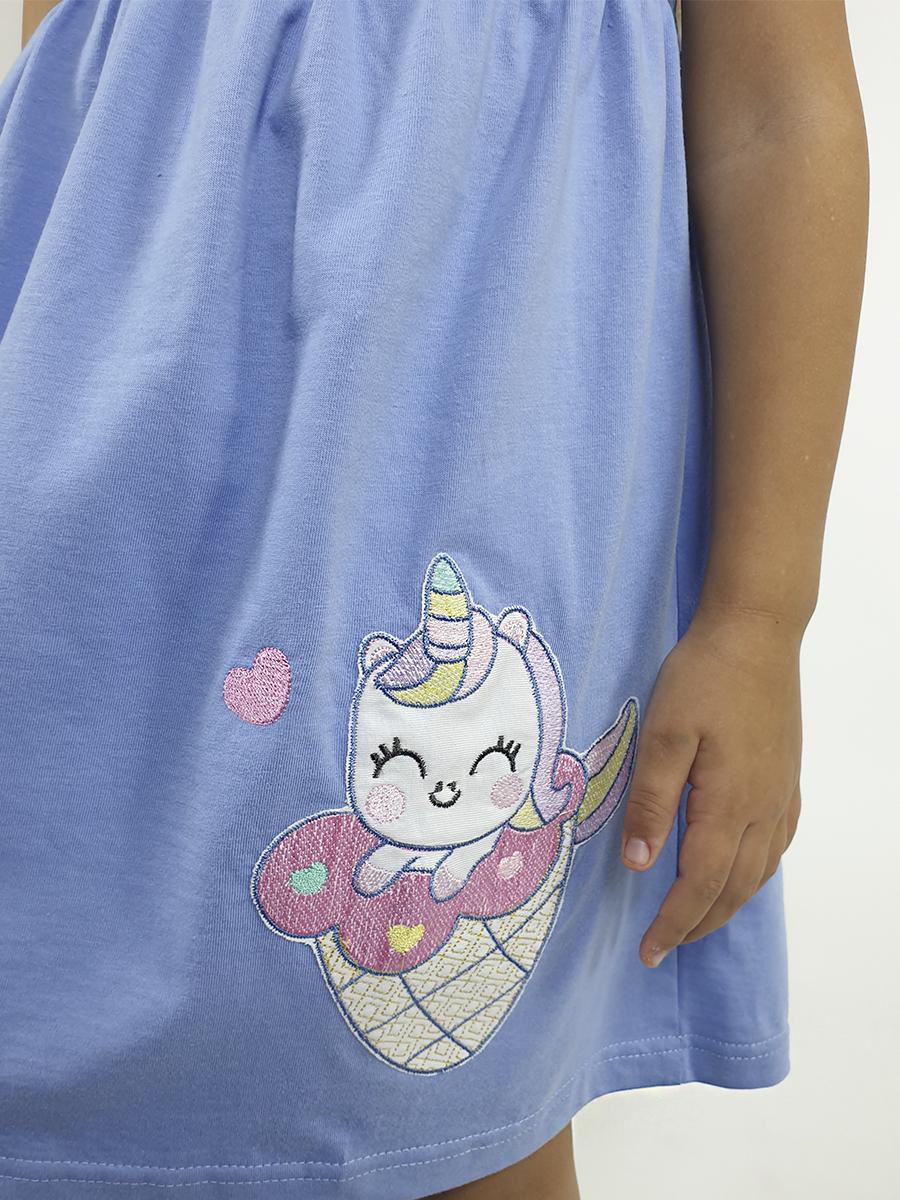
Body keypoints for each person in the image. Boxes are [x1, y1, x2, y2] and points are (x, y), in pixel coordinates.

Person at [0, 1, 867, 1198]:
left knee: (441, 1118)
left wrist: (759, 617)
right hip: (97, 410)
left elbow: (779, 112)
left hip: (477, 432)